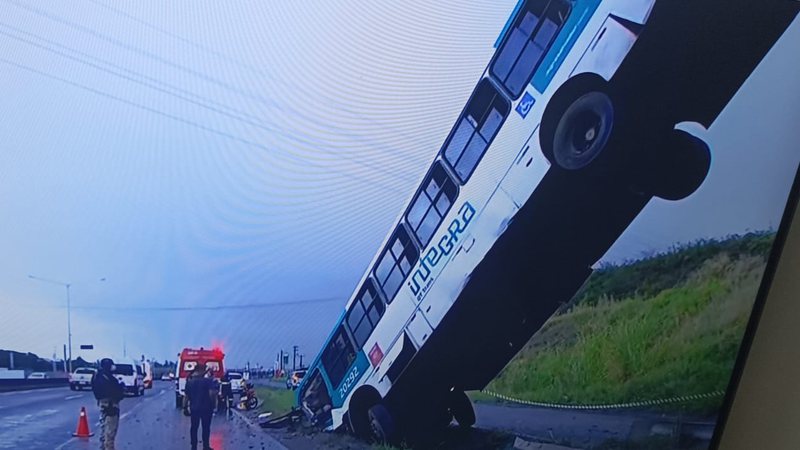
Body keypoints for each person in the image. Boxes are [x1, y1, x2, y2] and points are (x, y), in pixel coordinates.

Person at [91, 358, 125, 450]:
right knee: (110, 434)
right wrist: (121, 387)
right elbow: (117, 393)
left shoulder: (97, 376)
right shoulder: (109, 379)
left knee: (103, 432)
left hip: (103, 406)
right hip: (112, 407)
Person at [183, 362, 217, 450]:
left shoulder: (189, 382)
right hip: (206, 409)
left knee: (194, 428)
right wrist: (213, 405)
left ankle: (193, 446)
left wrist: (185, 408)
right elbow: (212, 394)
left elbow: (186, 397)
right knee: (206, 428)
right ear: (201, 370)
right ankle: (206, 446)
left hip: (194, 409)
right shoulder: (208, 381)